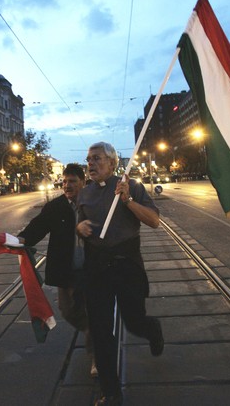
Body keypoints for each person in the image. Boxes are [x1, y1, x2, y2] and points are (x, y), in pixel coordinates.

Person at [76, 142, 164, 406]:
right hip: (96, 268)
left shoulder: (131, 187)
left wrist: (127, 201)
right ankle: (111, 391)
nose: (91, 163)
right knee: (101, 331)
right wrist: (79, 227)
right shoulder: (84, 193)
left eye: (97, 159)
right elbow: (78, 223)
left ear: (113, 163)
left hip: (126, 264)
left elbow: (154, 221)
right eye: (89, 159)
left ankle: (152, 329)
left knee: (133, 321)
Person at [16, 164, 97, 377]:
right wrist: (19, 240)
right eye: (64, 181)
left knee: (93, 312)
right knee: (67, 310)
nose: (67, 185)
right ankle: (93, 332)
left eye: (72, 181)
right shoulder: (55, 207)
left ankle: (97, 356)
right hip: (66, 270)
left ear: (83, 182)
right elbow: (37, 227)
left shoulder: (94, 203)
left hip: (92, 269)